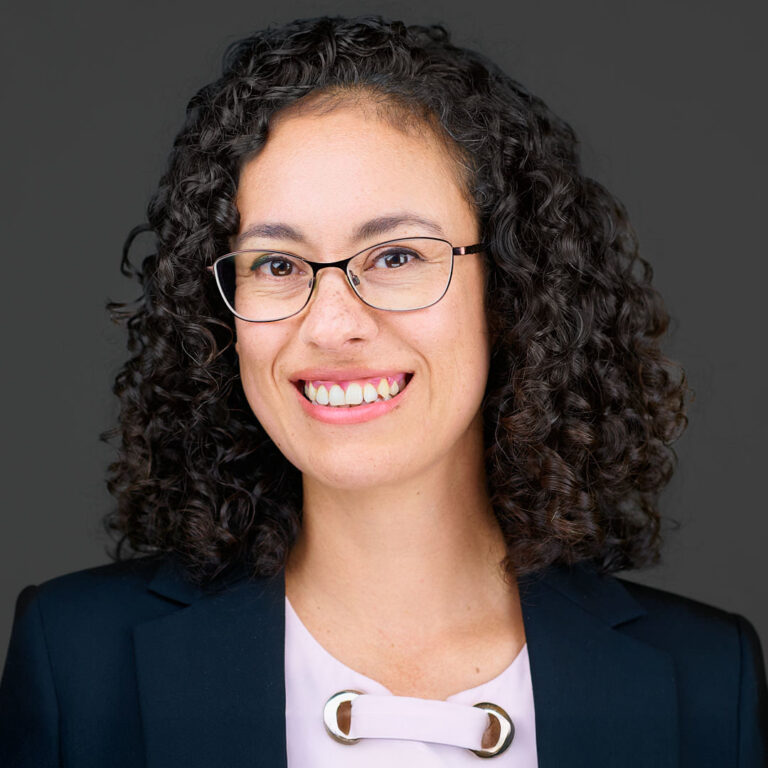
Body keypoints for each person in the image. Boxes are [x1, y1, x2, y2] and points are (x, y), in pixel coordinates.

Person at [0, 14, 765, 767]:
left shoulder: (706, 682)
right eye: (276, 265)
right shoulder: (77, 663)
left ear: (511, 290)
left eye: (396, 256)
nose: (332, 325)